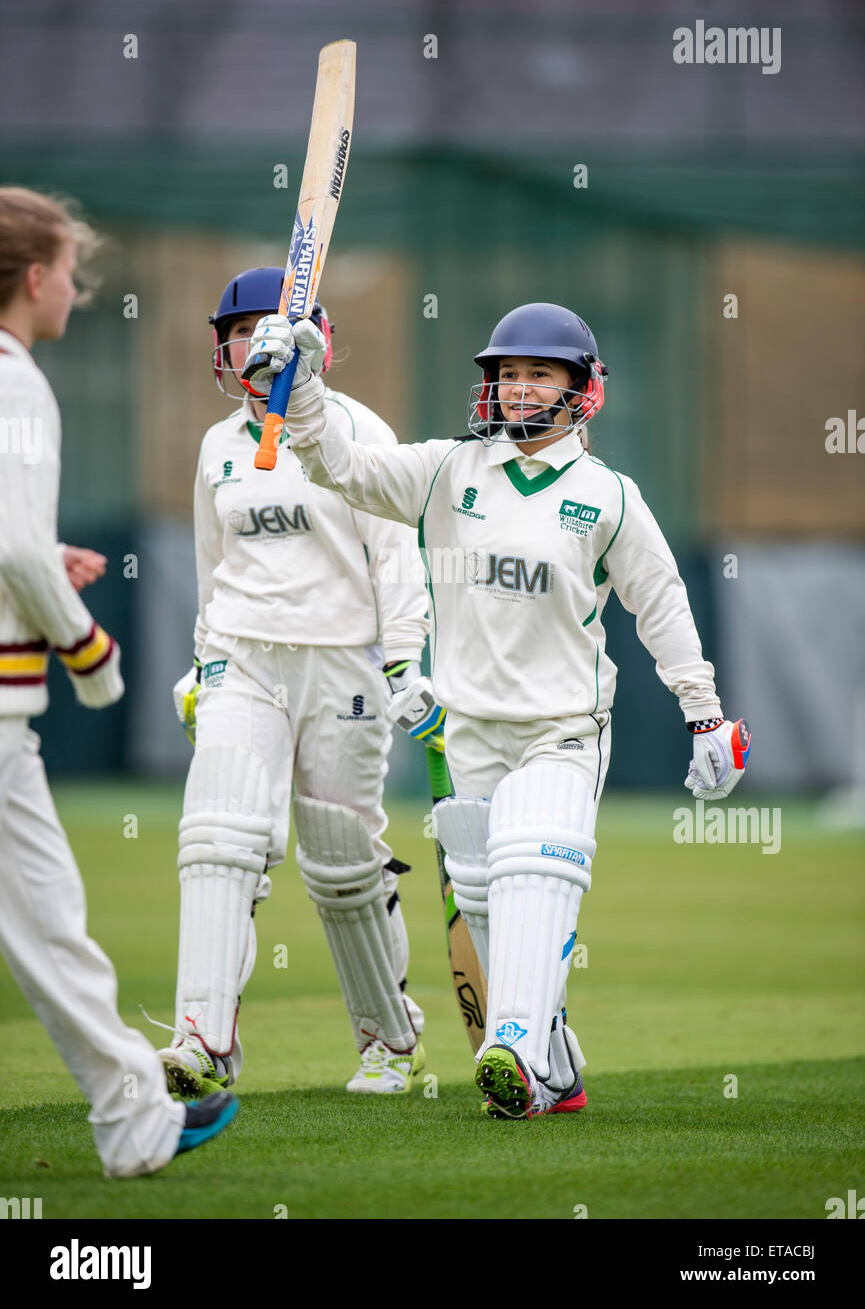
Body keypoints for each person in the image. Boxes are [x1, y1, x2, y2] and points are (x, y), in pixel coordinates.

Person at [239, 300, 752, 1120]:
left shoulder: (608, 498)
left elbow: (661, 606)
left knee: (533, 869)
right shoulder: (449, 471)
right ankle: (553, 1066)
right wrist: (297, 388)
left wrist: (704, 713)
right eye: (505, 375)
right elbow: (342, 467)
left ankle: (508, 1041)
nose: (515, 390)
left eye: (536, 374)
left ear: (581, 388)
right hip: (467, 730)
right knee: (482, 898)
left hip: (561, 729)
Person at [0, 185, 238, 1176]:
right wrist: (86, 644)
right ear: (31, 277)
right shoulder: (16, 382)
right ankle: (137, 1115)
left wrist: (44, 558)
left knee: (49, 918)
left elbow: (13, 540)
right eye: (71, 271)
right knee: (49, 920)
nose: (78, 289)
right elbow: (9, 543)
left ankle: (135, 1106)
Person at [156, 268, 431, 1099]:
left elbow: (398, 559)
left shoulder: (356, 431)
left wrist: (404, 661)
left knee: (343, 863)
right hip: (244, 658)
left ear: (316, 343)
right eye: (237, 332)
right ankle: (202, 1041)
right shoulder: (216, 446)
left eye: (263, 331)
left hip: (341, 662)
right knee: (217, 838)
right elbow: (214, 564)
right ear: (224, 347)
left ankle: (391, 1041)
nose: (250, 345)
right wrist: (203, 657)